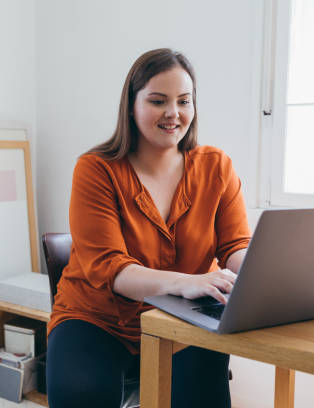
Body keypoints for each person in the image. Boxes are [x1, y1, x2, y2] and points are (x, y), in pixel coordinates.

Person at [46, 48, 251, 408]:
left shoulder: (217, 166)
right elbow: (112, 269)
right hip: (97, 318)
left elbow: (235, 247)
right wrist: (185, 282)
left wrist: (263, 273)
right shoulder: (95, 169)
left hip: (182, 320)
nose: (173, 113)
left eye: (184, 101)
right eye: (158, 101)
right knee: (82, 393)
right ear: (131, 105)